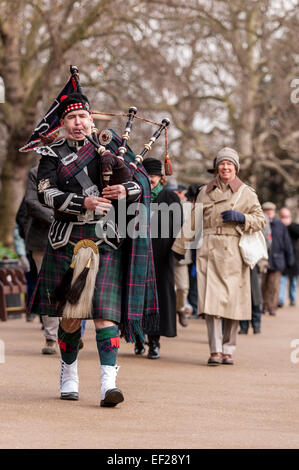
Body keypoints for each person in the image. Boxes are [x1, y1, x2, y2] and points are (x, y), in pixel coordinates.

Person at [28, 92, 159, 406]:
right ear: (62, 124)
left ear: (91, 119)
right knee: (71, 318)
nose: (78, 123)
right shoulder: (52, 153)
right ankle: (69, 372)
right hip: (68, 239)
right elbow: (45, 193)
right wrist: (82, 202)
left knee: (105, 315)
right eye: (71, 118)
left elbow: (141, 182)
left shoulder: (110, 144)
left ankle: (108, 384)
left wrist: (122, 189)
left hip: (104, 239)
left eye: (82, 117)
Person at [173, 147, 266, 365]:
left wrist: (242, 217)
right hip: (209, 252)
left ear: (236, 168)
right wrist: (179, 249)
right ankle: (215, 350)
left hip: (234, 252)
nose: (225, 167)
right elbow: (193, 222)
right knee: (211, 304)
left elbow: (261, 220)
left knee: (233, 305)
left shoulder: (247, 192)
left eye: (229, 164)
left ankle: (228, 349)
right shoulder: (205, 191)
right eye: (222, 164)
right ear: (217, 167)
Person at [134, 157, 183, 359]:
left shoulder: (171, 198)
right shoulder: (133, 196)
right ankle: (137, 338)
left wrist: (175, 251)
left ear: (160, 178)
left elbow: (179, 227)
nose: (150, 179)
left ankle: (154, 342)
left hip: (161, 257)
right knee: (136, 298)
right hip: (136, 255)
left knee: (158, 299)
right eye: (147, 176)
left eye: (154, 176)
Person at [24, 166, 59, 354]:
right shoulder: (36, 173)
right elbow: (31, 202)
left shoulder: (78, 165)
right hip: (42, 240)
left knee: (74, 285)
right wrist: (57, 217)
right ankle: (51, 337)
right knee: (48, 289)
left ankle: (71, 332)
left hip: (75, 236)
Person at [261, 202, 294, 316]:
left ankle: (272, 307)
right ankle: (263, 306)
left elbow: (287, 243)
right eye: (267, 211)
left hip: (277, 260)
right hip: (263, 259)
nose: (269, 213)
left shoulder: (280, 225)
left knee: (274, 286)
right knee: (263, 285)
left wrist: (290, 260)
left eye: (271, 211)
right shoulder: (260, 223)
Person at [278, 207, 299, 307]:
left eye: (286, 216)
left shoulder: (294, 226)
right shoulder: (278, 226)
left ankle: (292, 299)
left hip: (294, 258)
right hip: (282, 258)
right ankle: (280, 300)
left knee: (293, 282)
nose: (284, 218)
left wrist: (289, 225)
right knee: (282, 281)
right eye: (283, 216)